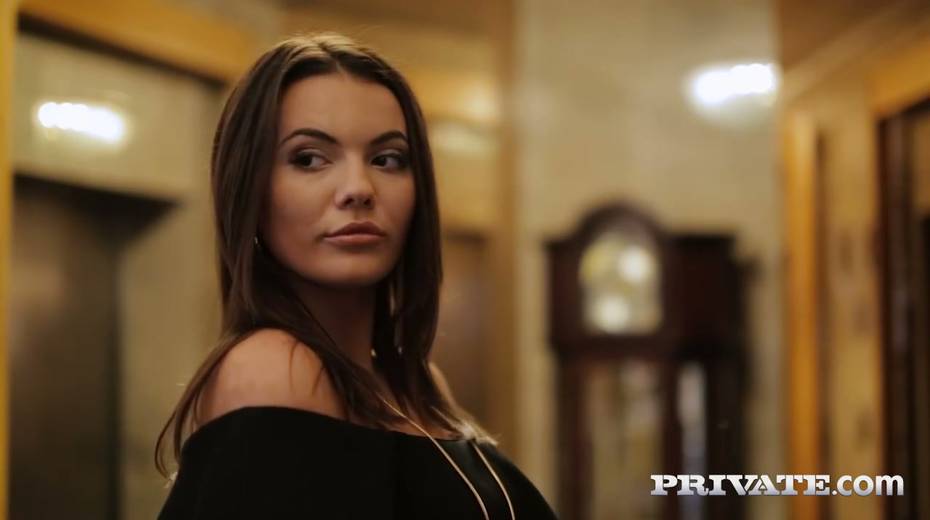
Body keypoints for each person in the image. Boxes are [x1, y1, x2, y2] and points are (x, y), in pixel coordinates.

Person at [155, 33, 558, 519]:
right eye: (309, 159)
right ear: (250, 194)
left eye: (387, 159)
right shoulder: (276, 367)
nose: (358, 188)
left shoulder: (419, 382)